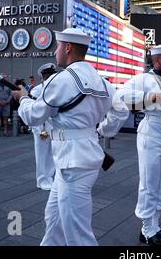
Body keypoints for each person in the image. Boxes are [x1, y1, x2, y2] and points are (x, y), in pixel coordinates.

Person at [13, 28, 128, 246]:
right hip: (79, 159)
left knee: (77, 233)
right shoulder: (102, 81)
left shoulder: (63, 80)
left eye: (58, 46)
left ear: (68, 47)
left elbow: (32, 116)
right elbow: (121, 111)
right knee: (54, 219)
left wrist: (23, 98)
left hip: (71, 163)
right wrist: (103, 130)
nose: (56, 52)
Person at [116, 45, 161, 246]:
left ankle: (154, 226)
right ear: (157, 60)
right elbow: (120, 96)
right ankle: (146, 230)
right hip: (151, 133)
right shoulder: (142, 79)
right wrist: (146, 98)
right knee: (149, 184)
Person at [29, 63, 57, 191]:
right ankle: (41, 179)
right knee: (41, 154)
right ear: (42, 77)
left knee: (52, 153)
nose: (50, 78)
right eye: (47, 76)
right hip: (42, 126)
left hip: (55, 126)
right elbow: (36, 111)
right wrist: (39, 129)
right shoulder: (37, 90)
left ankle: (49, 177)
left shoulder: (57, 88)